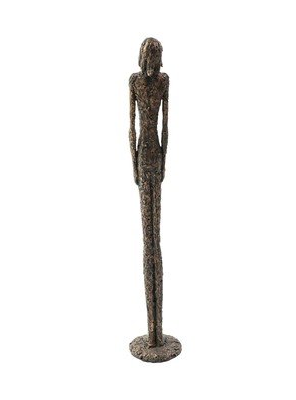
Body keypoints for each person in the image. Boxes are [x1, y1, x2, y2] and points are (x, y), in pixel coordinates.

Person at [129, 38, 169, 348]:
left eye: (156, 59)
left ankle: (157, 333)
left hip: (153, 154)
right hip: (144, 155)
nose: (154, 64)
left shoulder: (164, 81)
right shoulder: (134, 81)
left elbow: (166, 127)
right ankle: (152, 333)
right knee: (148, 239)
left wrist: (164, 162)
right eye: (151, 58)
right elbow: (131, 127)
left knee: (155, 238)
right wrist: (133, 164)